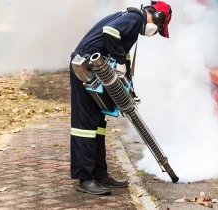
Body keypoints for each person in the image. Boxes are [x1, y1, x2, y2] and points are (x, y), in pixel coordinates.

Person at [69, 1, 172, 195]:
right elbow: (110, 32)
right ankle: (85, 178)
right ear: (156, 17)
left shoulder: (133, 22)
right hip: (84, 69)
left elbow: (122, 54)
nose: (156, 31)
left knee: (98, 125)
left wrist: (128, 84)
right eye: (159, 27)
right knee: (85, 126)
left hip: (95, 71)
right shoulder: (134, 18)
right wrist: (117, 61)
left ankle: (99, 174)